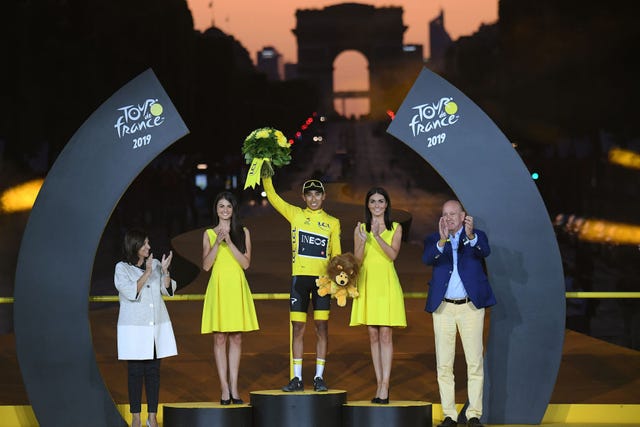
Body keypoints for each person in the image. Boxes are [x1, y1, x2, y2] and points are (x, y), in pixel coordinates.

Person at [262, 176, 341, 392]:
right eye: (309, 194)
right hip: (299, 280)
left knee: (322, 328)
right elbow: (272, 196)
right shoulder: (295, 214)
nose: (313, 198)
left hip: (322, 282)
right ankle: (296, 379)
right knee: (297, 328)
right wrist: (266, 174)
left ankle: (318, 377)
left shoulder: (333, 222)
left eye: (317, 194)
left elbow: (337, 256)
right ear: (303, 197)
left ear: (324, 196)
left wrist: (339, 282)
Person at [422, 200, 496, 427]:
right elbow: (427, 259)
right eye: (445, 214)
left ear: (463, 215)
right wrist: (443, 240)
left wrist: (471, 235)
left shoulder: (476, 236)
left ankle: (474, 414)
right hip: (443, 308)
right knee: (444, 364)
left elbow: (485, 251)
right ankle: (449, 415)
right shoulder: (435, 239)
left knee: (475, 363)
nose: (450, 218)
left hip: (470, 308)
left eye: (454, 213)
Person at [114, 229, 177, 427]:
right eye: (144, 244)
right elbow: (130, 291)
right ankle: (135, 416)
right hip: (134, 330)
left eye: (148, 243)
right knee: (134, 373)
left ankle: (151, 416)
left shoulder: (156, 264)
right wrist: (148, 272)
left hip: (154, 330)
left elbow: (167, 290)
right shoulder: (122, 268)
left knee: (153, 373)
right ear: (134, 246)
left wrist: (165, 272)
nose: (148, 247)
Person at [201, 191, 259, 405]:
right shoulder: (208, 233)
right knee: (219, 337)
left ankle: (234, 387)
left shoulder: (243, 232)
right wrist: (217, 242)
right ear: (216, 209)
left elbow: (245, 264)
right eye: (221, 206)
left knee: (236, 337)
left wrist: (230, 241)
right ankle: (224, 389)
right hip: (218, 286)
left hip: (236, 286)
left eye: (228, 206)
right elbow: (206, 266)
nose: (224, 210)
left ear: (233, 209)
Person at [350, 187, 406, 404]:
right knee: (372, 334)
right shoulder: (359, 229)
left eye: (380, 201)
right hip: (368, 283)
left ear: (386, 205)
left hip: (386, 283)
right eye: (372, 201)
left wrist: (376, 237)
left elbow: (392, 255)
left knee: (385, 334)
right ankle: (378, 382)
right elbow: (357, 260)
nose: (376, 205)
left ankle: (385, 384)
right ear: (368, 205)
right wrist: (364, 240)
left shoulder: (396, 227)